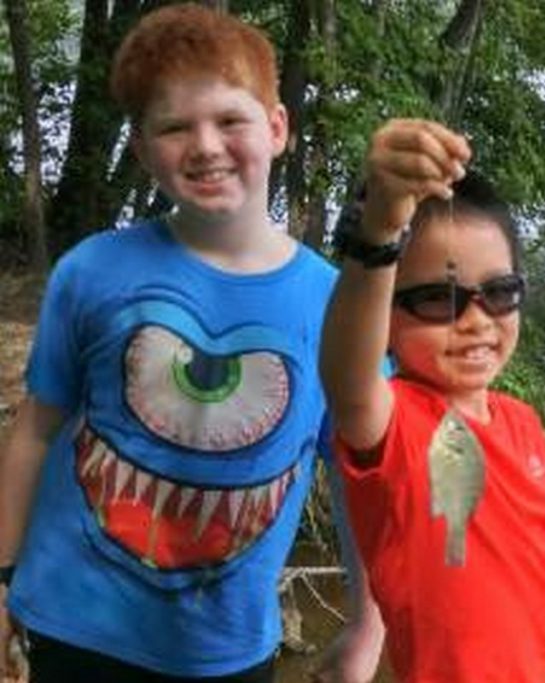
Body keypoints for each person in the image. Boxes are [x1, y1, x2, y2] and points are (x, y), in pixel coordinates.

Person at [0, 4, 382, 682]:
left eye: (230, 120)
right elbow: (35, 429)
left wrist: (365, 623)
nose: (205, 145)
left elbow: (361, 479)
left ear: (277, 128)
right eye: (175, 126)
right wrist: (2, 574)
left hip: (224, 649)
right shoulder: (90, 271)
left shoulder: (340, 308)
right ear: (143, 150)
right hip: (69, 620)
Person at [319, 118, 545, 682]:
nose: (477, 320)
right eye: (438, 299)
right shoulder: (391, 422)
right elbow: (345, 375)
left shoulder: (523, 425)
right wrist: (378, 234)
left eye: (501, 293)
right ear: (387, 315)